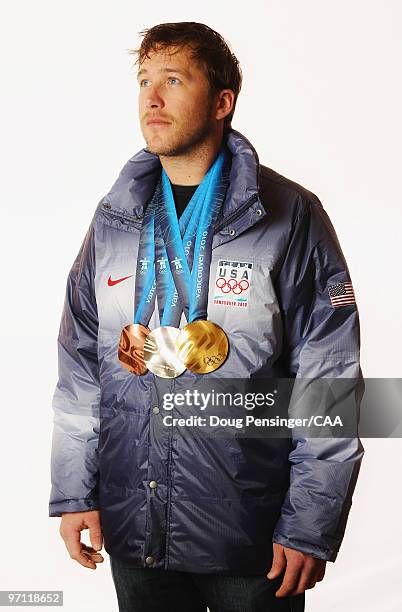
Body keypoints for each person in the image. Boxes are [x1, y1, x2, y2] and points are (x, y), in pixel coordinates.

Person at [49, 21, 364, 612]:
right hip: (134, 531)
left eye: (173, 79)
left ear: (222, 102)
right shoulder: (115, 219)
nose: (152, 97)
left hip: (250, 538)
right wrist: (73, 492)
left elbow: (331, 382)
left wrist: (309, 523)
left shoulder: (288, 215)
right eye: (144, 80)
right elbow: (80, 371)